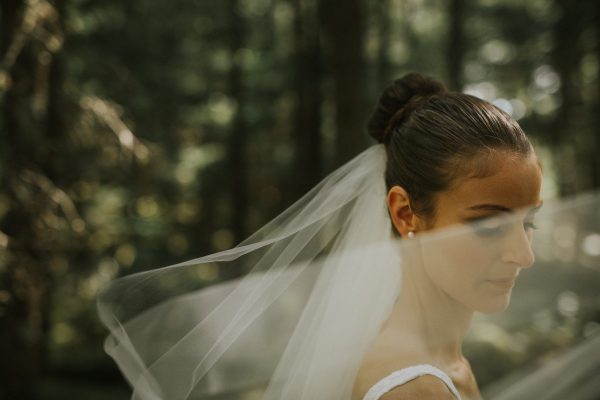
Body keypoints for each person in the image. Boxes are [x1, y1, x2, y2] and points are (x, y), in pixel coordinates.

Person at [97, 73, 595, 400]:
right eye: (489, 225)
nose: (524, 255)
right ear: (404, 212)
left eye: (527, 223)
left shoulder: (430, 361)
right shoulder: (414, 388)